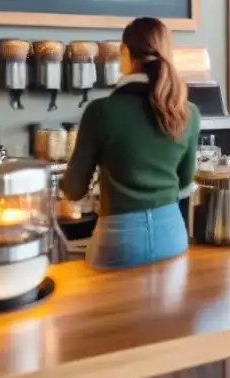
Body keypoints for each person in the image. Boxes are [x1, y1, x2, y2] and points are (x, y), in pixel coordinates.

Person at [62, 17, 200, 269]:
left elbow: (74, 189)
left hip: (120, 239)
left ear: (125, 53)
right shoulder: (187, 112)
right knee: (167, 309)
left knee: (109, 308)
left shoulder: (101, 111)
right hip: (171, 233)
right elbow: (185, 181)